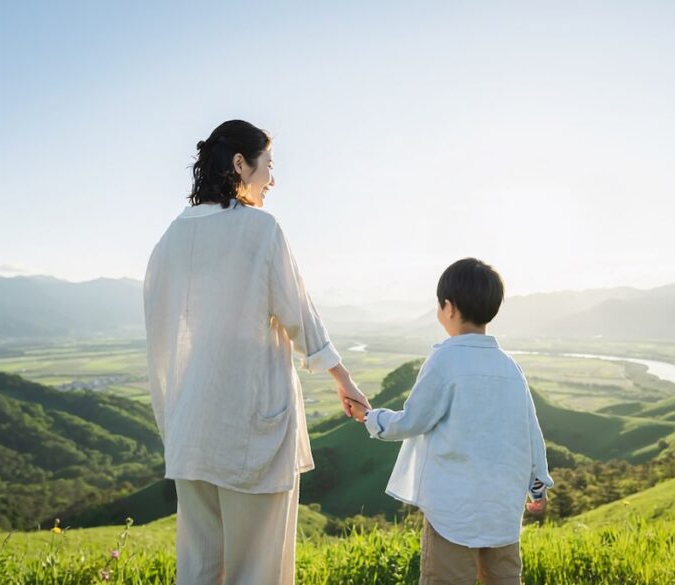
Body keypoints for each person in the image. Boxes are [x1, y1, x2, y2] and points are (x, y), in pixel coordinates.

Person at [144, 120, 369, 585]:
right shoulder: (260, 230)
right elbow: (299, 315)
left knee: (200, 569)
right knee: (257, 571)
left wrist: (174, 422)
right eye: (268, 165)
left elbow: (163, 338)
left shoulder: (167, 241)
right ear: (240, 164)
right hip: (250, 429)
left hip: (191, 430)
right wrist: (343, 379)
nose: (273, 178)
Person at [348, 258, 552, 585]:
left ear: (449, 307)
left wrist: (370, 418)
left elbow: (413, 420)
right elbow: (532, 434)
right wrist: (537, 486)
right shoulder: (510, 367)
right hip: (502, 510)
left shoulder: (444, 358)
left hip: (453, 512)